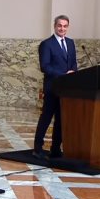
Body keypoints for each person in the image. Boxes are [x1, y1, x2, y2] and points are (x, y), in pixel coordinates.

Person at [33, 15, 78, 160]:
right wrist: (64, 74)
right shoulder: (47, 44)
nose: (62, 29)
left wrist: (73, 73)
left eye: (65, 26)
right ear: (55, 26)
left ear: (68, 27)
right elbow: (44, 66)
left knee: (61, 119)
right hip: (52, 87)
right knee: (46, 117)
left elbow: (73, 64)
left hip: (66, 90)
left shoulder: (70, 43)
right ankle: (37, 148)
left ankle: (55, 148)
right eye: (60, 26)